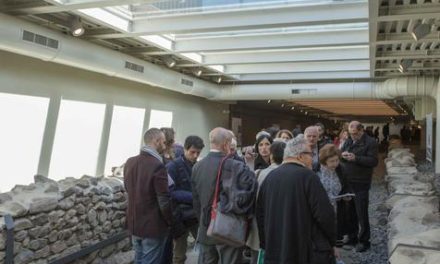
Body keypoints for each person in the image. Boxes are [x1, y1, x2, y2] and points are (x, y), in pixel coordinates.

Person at [256, 137, 337, 264]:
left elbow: (260, 215)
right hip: (306, 250)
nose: (312, 159)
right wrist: (332, 242)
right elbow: (325, 215)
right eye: (310, 154)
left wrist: (265, 244)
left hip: (276, 249)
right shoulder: (309, 177)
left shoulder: (270, 178)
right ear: (300, 156)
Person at [191, 127, 243, 264]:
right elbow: (240, 200)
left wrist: (203, 218)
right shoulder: (235, 166)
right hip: (228, 230)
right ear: (226, 144)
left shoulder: (197, 166)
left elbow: (195, 200)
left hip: (205, 226)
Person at [124, 128, 172, 264]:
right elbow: (163, 200)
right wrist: (169, 220)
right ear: (156, 142)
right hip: (153, 226)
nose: (164, 145)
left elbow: (128, 189)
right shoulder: (157, 165)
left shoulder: (129, 162)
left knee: (138, 260)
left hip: (134, 223)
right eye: (163, 142)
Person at [340, 121, 378, 252]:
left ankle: (364, 241)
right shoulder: (349, 141)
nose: (353, 136)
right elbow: (341, 154)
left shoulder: (371, 142)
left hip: (361, 182)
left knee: (361, 213)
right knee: (349, 212)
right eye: (351, 134)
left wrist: (356, 158)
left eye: (355, 134)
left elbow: (373, 161)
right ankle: (352, 238)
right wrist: (343, 156)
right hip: (348, 181)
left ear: (361, 130)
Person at [166, 136, 205, 264]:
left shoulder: (199, 166)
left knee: (205, 250)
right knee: (179, 254)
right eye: (192, 152)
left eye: (198, 153)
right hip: (180, 216)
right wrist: (194, 196)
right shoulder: (172, 167)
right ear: (185, 149)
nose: (195, 155)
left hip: (195, 215)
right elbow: (169, 192)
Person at [247, 141, 286, 264]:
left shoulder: (258, 174)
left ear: (271, 156)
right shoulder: (294, 175)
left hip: (259, 228)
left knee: (257, 259)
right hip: (283, 229)